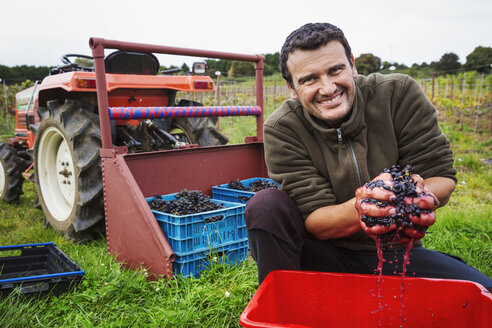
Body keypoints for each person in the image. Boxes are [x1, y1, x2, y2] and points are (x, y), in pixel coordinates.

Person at [244, 22, 492, 291]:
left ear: (352, 64)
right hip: (323, 256)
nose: (327, 88)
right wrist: (363, 206)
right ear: (291, 87)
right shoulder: (283, 127)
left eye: (335, 70)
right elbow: (316, 219)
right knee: (265, 205)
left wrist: (415, 195)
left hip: (395, 253)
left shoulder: (397, 94)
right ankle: (283, 307)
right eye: (309, 79)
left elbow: (441, 176)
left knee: (481, 292)